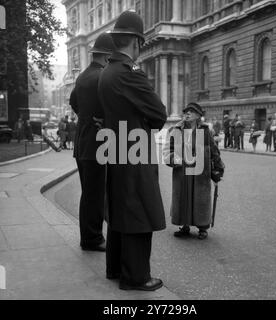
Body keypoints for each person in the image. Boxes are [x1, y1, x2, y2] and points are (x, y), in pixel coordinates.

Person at [98, 11, 167, 291]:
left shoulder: (106, 72)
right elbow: (159, 115)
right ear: (137, 42)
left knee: (119, 210)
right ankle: (136, 277)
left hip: (116, 148)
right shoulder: (129, 75)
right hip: (135, 150)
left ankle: (115, 268)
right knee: (139, 210)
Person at [69, 33, 116, 252]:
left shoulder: (82, 77)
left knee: (89, 193)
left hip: (82, 142)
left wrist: (87, 118)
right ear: (107, 57)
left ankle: (88, 236)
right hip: (96, 144)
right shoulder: (102, 77)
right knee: (94, 194)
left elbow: (74, 102)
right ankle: (92, 239)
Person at [163, 103, 224, 240]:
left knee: (200, 199)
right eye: (186, 111)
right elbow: (168, 149)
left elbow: (214, 150)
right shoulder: (176, 129)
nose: (187, 113)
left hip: (201, 172)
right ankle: (185, 226)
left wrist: (219, 168)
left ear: (198, 115)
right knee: (184, 197)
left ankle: (202, 227)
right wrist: (174, 158)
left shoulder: (206, 131)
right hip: (182, 171)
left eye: (191, 112)